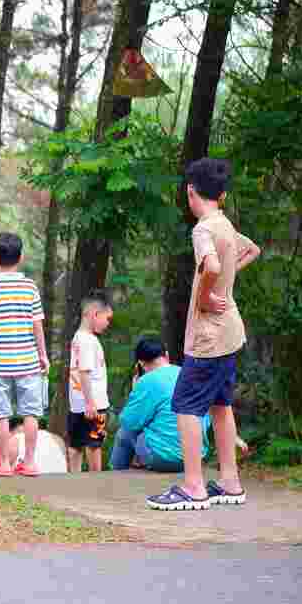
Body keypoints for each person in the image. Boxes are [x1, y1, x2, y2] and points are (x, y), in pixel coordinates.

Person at [148, 158, 260, 511]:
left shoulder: (203, 229)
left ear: (190, 191)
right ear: (223, 194)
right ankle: (229, 482)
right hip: (230, 333)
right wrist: (225, 285)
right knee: (220, 404)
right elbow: (251, 250)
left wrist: (206, 296)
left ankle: (194, 487)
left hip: (209, 337)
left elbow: (211, 265)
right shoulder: (224, 224)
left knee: (184, 404)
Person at [0, 233, 50, 477]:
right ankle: (29, 463)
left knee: (0, 414)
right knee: (31, 413)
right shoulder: (29, 287)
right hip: (28, 362)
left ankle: (5, 465)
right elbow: (37, 324)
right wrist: (43, 355)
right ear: (21, 258)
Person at [111, 337, 209, 473]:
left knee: (125, 432)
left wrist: (136, 390)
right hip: (195, 456)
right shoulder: (189, 375)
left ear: (140, 363)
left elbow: (129, 422)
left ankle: (116, 475)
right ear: (166, 355)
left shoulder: (147, 381)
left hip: (164, 459)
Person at [67, 291, 113, 472]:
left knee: (75, 444)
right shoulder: (88, 341)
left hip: (76, 403)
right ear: (95, 314)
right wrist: (90, 402)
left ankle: (74, 479)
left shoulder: (79, 337)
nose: (108, 323)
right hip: (93, 403)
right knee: (94, 444)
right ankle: (96, 481)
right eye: (107, 318)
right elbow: (84, 372)